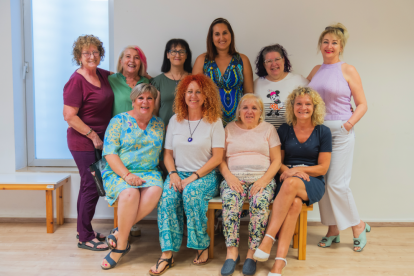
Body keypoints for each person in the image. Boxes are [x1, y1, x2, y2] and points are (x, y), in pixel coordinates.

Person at [149, 74, 224, 275]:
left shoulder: (215, 121)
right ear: (183, 94)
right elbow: (167, 154)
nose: (193, 96)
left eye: (198, 91)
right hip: (178, 173)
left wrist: (194, 177)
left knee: (191, 194)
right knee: (167, 198)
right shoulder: (175, 120)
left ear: (206, 95)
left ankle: (202, 245)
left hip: (206, 175)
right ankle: (167, 254)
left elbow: (217, 158)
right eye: (189, 91)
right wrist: (173, 174)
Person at [253, 87, 332, 276]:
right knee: (295, 204)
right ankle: (279, 263)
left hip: (312, 181)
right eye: (299, 103)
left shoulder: (323, 132)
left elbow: (322, 168)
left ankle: (268, 238)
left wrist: (298, 170)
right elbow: (278, 161)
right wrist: (288, 171)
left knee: (291, 184)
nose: (303, 107)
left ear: (314, 107)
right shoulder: (285, 129)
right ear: (292, 106)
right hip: (286, 177)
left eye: (308, 104)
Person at [307, 23, 369, 252]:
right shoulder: (315, 71)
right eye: (325, 42)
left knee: (337, 184)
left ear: (341, 46)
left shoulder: (348, 69)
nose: (329, 46)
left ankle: (358, 225)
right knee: (322, 183)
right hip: (318, 133)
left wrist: (348, 125)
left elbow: (362, 104)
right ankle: (333, 229)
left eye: (334, 42)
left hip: (341, 132)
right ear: (320, 45)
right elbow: (304, 99)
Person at [100, 83, 164, 270]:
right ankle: (120, 248)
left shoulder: (159, 124)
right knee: (130, 194)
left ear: (154, 102)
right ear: (133, 100)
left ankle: (120, 232)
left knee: (155, 190)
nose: (145, 102)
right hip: (119, 171)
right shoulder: (118, 121)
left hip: (150, 172)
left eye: (149, 98)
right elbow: (110, 154)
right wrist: (127, 175)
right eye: (141, 98)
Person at [219, 94, 281, 276]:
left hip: (261, 178)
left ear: (260, 112)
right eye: (245, 107)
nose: (249, 111)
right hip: (234, 178)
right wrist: (229, 177)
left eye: (254, 108)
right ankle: (232, 253)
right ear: (238, 111)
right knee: (230, 201)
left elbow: (277, 160)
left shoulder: (268, 129)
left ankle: (251, 254)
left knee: (260, 203)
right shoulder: (228, 128)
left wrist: (263, 181)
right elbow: (220, 160)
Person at [63, 34, 113, 251]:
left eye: (95, 52)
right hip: (83, 141)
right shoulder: (76, 80)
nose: (92, 56)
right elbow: (69, 116)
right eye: (86, 53)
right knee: (91, 186)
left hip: (100, 140)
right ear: (79, 56)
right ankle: (85, 237)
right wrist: (93, 135)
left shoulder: (102, 74)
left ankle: (83, 229)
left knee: (88, 185)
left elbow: (125, 77)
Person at [193, 18, 254, 126]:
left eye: (225, 33)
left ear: (231, 35)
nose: (221, 37)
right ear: (211, 38)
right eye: (217, 34)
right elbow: (195, 94)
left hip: (238, 122)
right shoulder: (202, 60)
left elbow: (249, 96)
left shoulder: (242, 60)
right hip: (209, 121)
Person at [254, 44, 309, 129]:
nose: (273, 64)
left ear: (283, 60)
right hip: (264, 138)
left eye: (277, 59)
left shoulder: (299, 81)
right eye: (268, 61)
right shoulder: (256, 84)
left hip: (291, 138)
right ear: (264, 65)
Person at [152, 39, 192, 126]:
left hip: (189, 131)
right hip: (164, 131)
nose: (177, 55)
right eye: (173, 51)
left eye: (181, 51)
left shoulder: (193, 80)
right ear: (167, 55)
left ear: (186, 55)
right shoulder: (158, 81)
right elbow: (154, 111)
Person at [109, 45, 150, 117]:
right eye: (128, 56)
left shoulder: (147, 82)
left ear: (140, 63)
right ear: (120, 61)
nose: (132, 60)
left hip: (141, 127)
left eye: (136, 58)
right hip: (118, 127)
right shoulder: (111, 80)